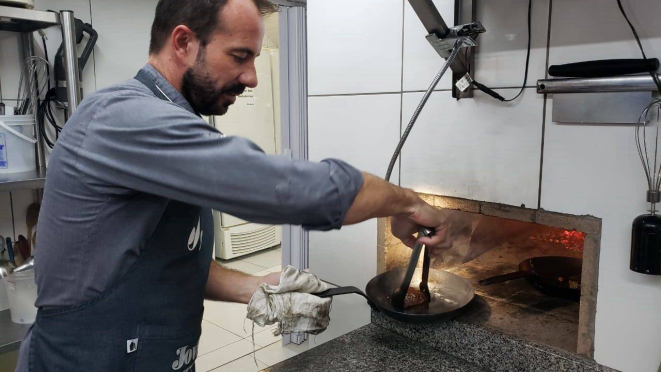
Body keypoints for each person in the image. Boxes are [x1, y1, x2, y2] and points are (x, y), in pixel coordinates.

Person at [16, 0, 454, 370]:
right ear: (184, 43)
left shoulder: (166, 118)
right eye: (240, 56)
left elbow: (158, 260)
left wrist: (254, 288)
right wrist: (407, 202)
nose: (252, 78)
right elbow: (288, 190)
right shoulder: (124, 118)